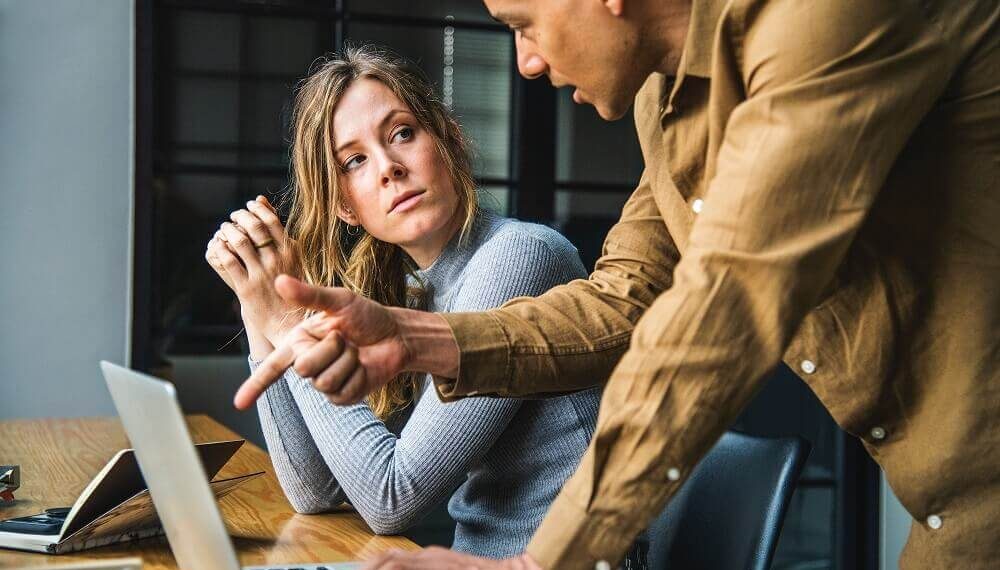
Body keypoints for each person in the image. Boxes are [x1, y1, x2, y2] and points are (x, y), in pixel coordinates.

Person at [237, 0, 1000, 568]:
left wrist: (540, 565)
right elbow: (622, 301)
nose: (527, 62)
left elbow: (723, 309)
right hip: (947, 509)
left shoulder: (821, 20)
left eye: (522, 23)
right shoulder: (663, 104)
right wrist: (408, 337)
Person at [205, 45, 646, 566]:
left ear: (450, 140)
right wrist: (260, 312)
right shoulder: (417, 291)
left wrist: (288, 321)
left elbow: (391, 498)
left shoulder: (521, 256)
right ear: (345, 206)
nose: (388, 167)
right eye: (355, 160)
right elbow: (314, 492)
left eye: (402, 133)